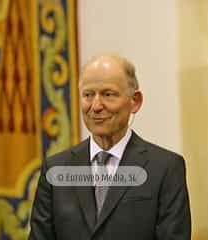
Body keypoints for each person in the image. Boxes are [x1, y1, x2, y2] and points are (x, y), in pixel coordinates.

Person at [28, 54, 191, 240]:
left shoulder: (165, 168)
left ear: (135, 101)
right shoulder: (55, 169)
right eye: (88, 95)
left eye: (108, 94)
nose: (96, 106)